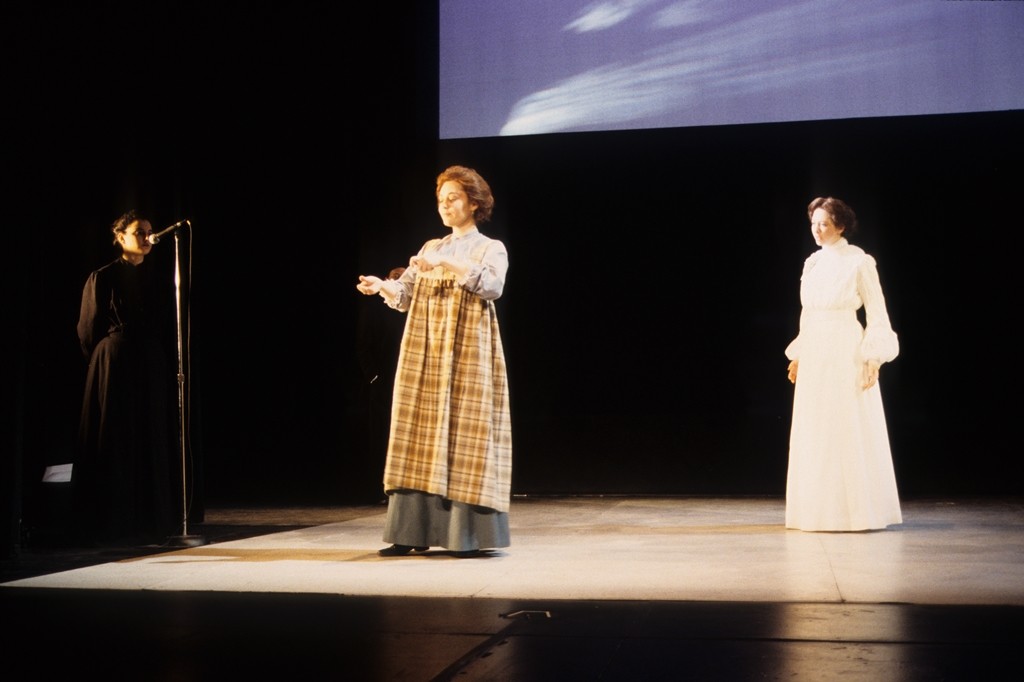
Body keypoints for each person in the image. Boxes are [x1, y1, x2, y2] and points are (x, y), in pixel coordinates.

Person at [356, 165, 512, 557]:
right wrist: (382, 286)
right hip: (425, 354)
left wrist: (446, 263)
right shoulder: (430, 247)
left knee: (466, 436)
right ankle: (410, 532)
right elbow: (405, 293)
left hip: (468, 355)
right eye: (441, 200)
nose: (444, 206)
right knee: (416, 434)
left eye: (453, 198)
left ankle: (466, 535)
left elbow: (492, 286)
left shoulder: (489, 248)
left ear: (473, 203)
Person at [784, 197, 901, 532]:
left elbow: (877, 312)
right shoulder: (812, 263)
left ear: (841, 225)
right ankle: (818, 512)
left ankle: (855, 512)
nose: (817, 230)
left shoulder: (859, 261)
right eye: (814, 224)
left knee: (846, 423)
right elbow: (808, 313)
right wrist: (799, 354)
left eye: (824, 223)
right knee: (817, 427)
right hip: (816, 348)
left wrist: (873, 356)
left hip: (843, 346)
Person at [73, 210, 176, 545]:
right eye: (139, 232)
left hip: (149, 363)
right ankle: (113, 521)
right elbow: (88, 329)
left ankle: (150, 520)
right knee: (116, 435)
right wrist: (105, 360)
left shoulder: (160, 279)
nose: (147, 238)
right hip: (115, 362)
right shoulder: (102, 277)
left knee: (149, 435)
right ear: (120, 237)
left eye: (149, 232)